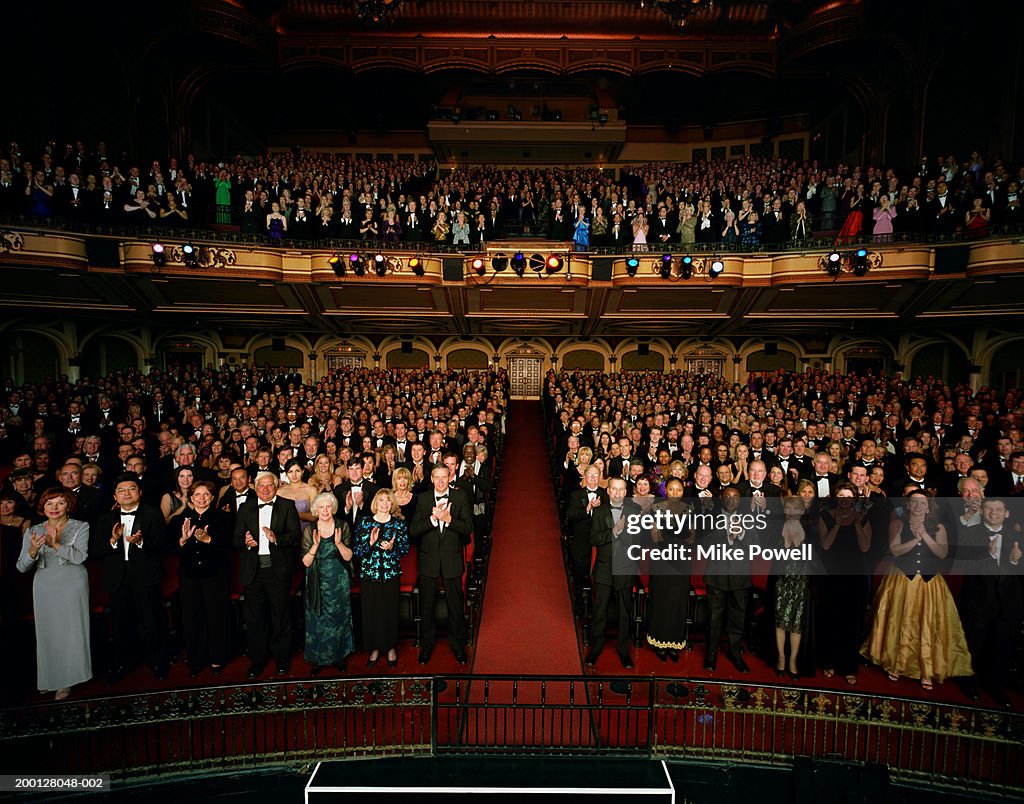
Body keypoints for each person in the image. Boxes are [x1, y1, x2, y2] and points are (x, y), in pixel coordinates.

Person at [861, 489, 972, 690]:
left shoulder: (939, 527)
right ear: (909, 505)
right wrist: (915, 539)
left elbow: (942, 553)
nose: (919, 506)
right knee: (899, 621)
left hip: (929, 583)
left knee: (927, 624)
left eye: (923, 503)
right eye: (915, 503)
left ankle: (925, 671)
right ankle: (896, 664)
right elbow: (895, 550)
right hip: (903, 578)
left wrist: (926, 536)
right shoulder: (898, 523)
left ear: (929, 507)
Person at [16, 488, 91, 700]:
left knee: (71, 632)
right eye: (50, 504)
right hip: (44, 584)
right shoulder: (34, 530)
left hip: (72, 582)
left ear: (68, 505)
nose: (54, 508)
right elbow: (21, 566)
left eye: (60, 503)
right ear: (43, 507)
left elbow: (79, 557)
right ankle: (50, 678)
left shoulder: (81, 526)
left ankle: (68, 680)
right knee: (48, 633)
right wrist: (32, 551)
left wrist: (55, 544)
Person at [93, 473, 168, 683]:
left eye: (131, 489)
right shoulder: (105, 519)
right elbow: (96, 551)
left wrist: (142, 542)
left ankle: (157, 662)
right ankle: (121, 663)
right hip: (117, 578)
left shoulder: (152, 513)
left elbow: (162, 543)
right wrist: (113, 541)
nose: (127, 493)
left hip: (146, 575)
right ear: (115, 496)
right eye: (121, 490)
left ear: (140, 492)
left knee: (152, 621)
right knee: (120, 623)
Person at [954, 498, 1022, 708]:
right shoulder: (969, 534)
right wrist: (985, 556)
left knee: (1001, 647)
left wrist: (1014, 562)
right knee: (974, 644)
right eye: (989, 508)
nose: (994, 513)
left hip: (1007, 603)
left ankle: (994, 686)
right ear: (982, 511)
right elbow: (959, 563)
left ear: (1007, 513)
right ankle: (968, 682)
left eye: (999, 509)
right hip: (978, 601)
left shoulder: (1018, 537)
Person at [233, 471, 301, 678]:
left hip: (277, 570)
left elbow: (295, 536)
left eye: (269, 486)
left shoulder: (287, 505)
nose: (265, 489)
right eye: (261, 486)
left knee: (280, 616)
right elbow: (235, 539)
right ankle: (257, 660)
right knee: (255, 619)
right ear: (255, 486)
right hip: (252, 572)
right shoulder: (245, 508)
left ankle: (282, 659)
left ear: (276, 486)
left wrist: (276, 538)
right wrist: (245, 542)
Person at [410, 464, 473, 665]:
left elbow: (467, 528)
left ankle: (458, 646)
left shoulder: (460, 498)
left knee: (455, 606)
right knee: (427, 606)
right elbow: (414, 530)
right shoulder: (423, 499)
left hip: (451, 560)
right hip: (428, 560)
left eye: (443, 477)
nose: (440, 481)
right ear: (432, 478)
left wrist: (448, 519)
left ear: (449, 477)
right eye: (436, 477)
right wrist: (432, 519)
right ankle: (427, 646)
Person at [171, 480, 231, 676]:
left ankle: (217, 658)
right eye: (197, 494)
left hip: (215, 575)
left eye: (206, 494)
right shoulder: (180, 520)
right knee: (191, 617)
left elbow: (229, 549)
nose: (202, 498)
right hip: (189, 576)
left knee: (216, 616)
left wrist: (209, 540)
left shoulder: (223, 518)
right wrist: (182, 540)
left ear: (212, 497)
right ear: (191, 497)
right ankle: (196, 659)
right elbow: (170, 549)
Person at [816, 482, 871, 685]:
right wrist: (838, 524)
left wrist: (856, 523)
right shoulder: (826, 516)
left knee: (852, 622)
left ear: (854, 499)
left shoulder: (862, 517)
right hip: (832, 577)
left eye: (849, 496)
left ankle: (848, 666)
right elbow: (826, 545)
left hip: (855, 577)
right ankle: (828, 661)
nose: (845, 500)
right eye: (841, 496)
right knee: (831, 619)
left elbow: (865, 547)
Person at [703, 486, 758, 673]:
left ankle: (735, 653)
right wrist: (727, 534)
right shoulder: (712, 516)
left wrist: (741, 534)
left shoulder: (749, 518)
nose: (732, 499)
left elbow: (756, 545)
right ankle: (711, 655)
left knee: (737, 619)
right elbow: (704, 542)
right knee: (713, 618)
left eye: (736, 496)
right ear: (721, 498)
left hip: (740, 576)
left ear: (740, 500)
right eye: (728, 496)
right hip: (716, 575)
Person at [354, 489, 410, 668]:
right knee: (372, 614)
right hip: (370, 577)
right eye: (381, 500)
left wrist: (392, 548)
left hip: (390, 575)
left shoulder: (398, 524)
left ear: (392, 503)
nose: (384, 504)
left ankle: (391, 647)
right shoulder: (364, 523)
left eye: (387, 500)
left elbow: (405, 550)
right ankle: (375, 648)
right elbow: (357, 551)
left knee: (390, 613)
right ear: (375, 503)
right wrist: (370, 543)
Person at [585, 477, 638, 668]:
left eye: (621, 489)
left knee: (625, 613)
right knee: (599, 612)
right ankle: (595, 649)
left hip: (625, 569)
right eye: (614, 489)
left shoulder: (635, 512)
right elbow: (595, 538)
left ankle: (624, 651)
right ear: (608, 491)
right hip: (604, 569)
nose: (617, 493)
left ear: (626, 492)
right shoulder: (599, 512)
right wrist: (614, 532)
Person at [300, 492, 355, 675]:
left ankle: (339, 656)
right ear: (316, 510)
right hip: (316, 577)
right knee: (317, 617)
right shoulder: (310, 530)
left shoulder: (342, 525)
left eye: (328, 506)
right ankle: (318, 658)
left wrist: (339, 544)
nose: (325, 510)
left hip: (338, 578)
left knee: (339, 616)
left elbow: (348, 556)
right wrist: (315, 546)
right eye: (321, 507)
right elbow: (306, 562)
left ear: (333, 508)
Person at [644, 477, 693, 662]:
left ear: (682, 491)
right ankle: (659, 643)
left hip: (682, 562)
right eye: (671, 489)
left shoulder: (689, 509)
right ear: (666, 491)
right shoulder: (656, 509)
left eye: (678, 490)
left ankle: (675, 644)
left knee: (678, 603)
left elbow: (692, 538)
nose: (675, 493)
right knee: (662, 602)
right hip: (662, 562)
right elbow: (654, 537)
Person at [774, 484, 813, 679]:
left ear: (802, 510)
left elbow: (812, 557)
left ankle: (793, 660)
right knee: (780, 621)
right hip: (782, 579)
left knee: (797, 622)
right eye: (787, 508)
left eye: (795, 508)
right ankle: (781, 657)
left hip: (801, 580)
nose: (791, 512)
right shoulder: (777, 527)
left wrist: (797, 544)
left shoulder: (809, 528)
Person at [277, 458, 317, 523]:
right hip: (286, 531)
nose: (294, 475)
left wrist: (294, 514)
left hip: (305, 529)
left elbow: (314, 516)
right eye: (290, 471)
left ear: (302, 471)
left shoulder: (311, 490)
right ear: (286, 474)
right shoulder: (279, 492)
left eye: (297, 471)